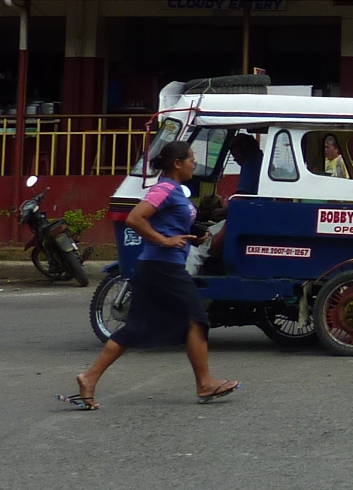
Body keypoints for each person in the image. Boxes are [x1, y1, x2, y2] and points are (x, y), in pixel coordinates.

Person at [62, 140, 238, 409]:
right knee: (197, 320)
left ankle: (89, 378)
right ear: (177, 164)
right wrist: (164, 241)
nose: (195, 163)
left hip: (159, 267)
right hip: (162, 267)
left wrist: (194, 234)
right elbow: (135, 218)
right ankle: (204, 384)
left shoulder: (175, 189)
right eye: (191, 158)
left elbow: (168, 222)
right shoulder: (164, 188)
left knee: (136, 328)